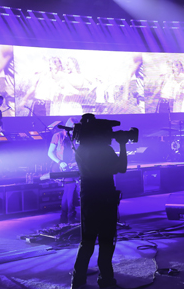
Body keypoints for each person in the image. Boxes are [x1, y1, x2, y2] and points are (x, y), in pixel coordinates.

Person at [71, 113, 128, 289]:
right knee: (105, 241)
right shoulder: (104, 150)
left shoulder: (81, 148)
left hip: (88, 198)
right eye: (109, 131)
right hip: (105, 199)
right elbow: (122, 168)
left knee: (87, 241)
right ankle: (106, 279)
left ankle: (78, 279)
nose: (111, 134)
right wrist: (123, 145)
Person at [48, 117, 79, 225]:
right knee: (70, 189)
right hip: (60, 167)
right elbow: (50, 152)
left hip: (71, 166)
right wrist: (60, 162)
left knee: (68, 191)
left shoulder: (75, 137)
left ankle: (64, 217)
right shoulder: (57, 136)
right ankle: (70, 216)